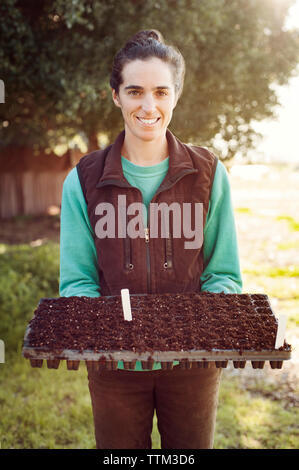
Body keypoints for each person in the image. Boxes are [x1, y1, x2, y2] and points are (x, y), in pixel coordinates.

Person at [59, 30, 242, 449]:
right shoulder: (83, 181)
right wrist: (113, 339)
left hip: (193, 366)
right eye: (135, 91)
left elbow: (224, 273)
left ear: (175, 95)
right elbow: (77, 283)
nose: (148, 106)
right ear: (115, 96)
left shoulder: (209, 174)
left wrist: (193, 333)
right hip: (114, 370)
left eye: (161, 92)